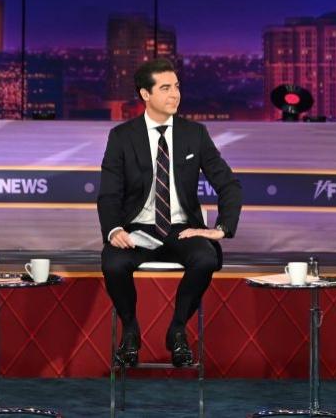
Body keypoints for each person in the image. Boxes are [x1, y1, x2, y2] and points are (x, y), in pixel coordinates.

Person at [99, 58, 243, 368]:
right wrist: (114, 230)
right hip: (138, 228)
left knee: (205, 257)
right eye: (165, 88)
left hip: (181, 229)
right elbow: (109, 192)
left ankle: (178, 329)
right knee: (113, 262)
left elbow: (228, 184)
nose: (175, 94)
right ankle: (130, 330)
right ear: (145, 94)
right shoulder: (122, 136)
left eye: (176, 86)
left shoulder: (195, 134)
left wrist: (221, 229)